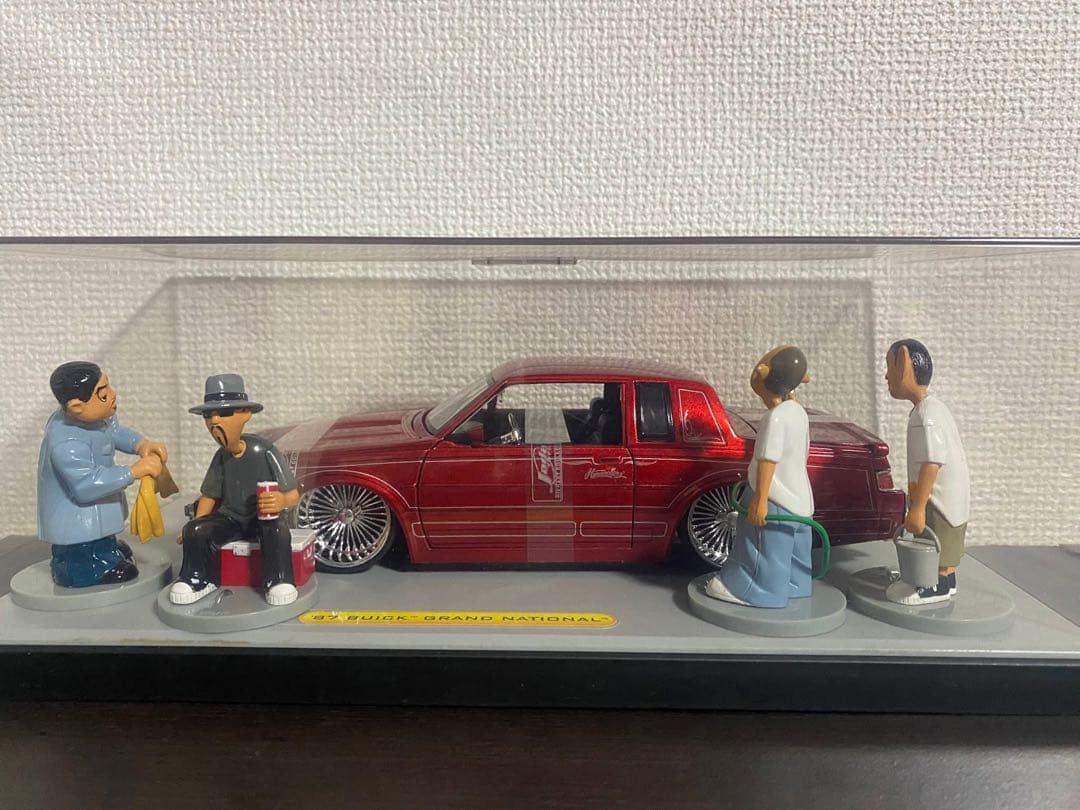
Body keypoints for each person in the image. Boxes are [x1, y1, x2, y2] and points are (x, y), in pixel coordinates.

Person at [169, 374, 300, 606]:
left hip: (261, 518)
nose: (214, 420)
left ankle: (279, 580)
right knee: (196, 529)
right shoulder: (221, 457)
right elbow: (210, 495)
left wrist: (281, 500)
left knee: (277, 531)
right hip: (230, 519)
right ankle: (198, 579)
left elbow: (293, 493)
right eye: (209, 415)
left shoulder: (265, 451)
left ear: (245, 414)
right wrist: (194, 526)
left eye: (225, 413)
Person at [38, 362, 166, 587]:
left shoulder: (94, 417)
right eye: (103, 394)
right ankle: (86, 567)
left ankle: (105, 548)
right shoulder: (67, 443)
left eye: (109, 387)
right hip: (75, 516)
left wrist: (140, 444)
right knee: (81, 545)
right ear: (77, 407)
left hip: (96, 510)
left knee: (101, 533)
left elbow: (113, 431)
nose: (113, 394)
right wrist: (133, 471)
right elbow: (87, 485)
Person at [706, 345, 814, 608]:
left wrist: (761, 499)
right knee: (796, 551)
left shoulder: (774, 419)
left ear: (763, 374)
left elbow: (768, 459)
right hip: (801, 498)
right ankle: (797, 585)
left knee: (762, 549)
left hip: (775, 497)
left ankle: (760, 591)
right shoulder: (798, 412)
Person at [884, 339, 969, 605]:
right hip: (946, 496)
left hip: (936, 497)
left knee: (935, 539)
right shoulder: (931, 408)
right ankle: (946, 578)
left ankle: (936, 585)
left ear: (904, 366)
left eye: (890, 367)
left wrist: (918, 507)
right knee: (940, 540)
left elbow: (932, 462)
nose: (886, 376)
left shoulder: (926, 415)